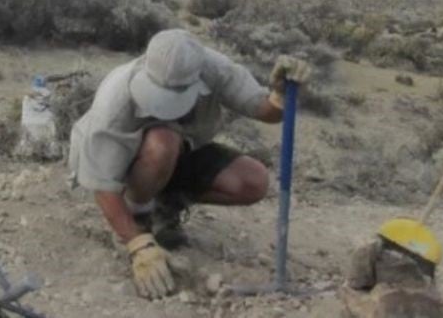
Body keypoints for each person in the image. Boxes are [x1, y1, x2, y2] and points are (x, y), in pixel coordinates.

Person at [67, 28, 311, 299]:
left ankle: (165, 207)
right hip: (126, 164)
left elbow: (264, 111)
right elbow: (102, 184)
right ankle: (139, 217)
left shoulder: (215, 69)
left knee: (253, 181)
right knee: (163, 140)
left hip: (181, 152)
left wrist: (281, 95)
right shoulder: (115, 98)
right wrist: (137, 244)